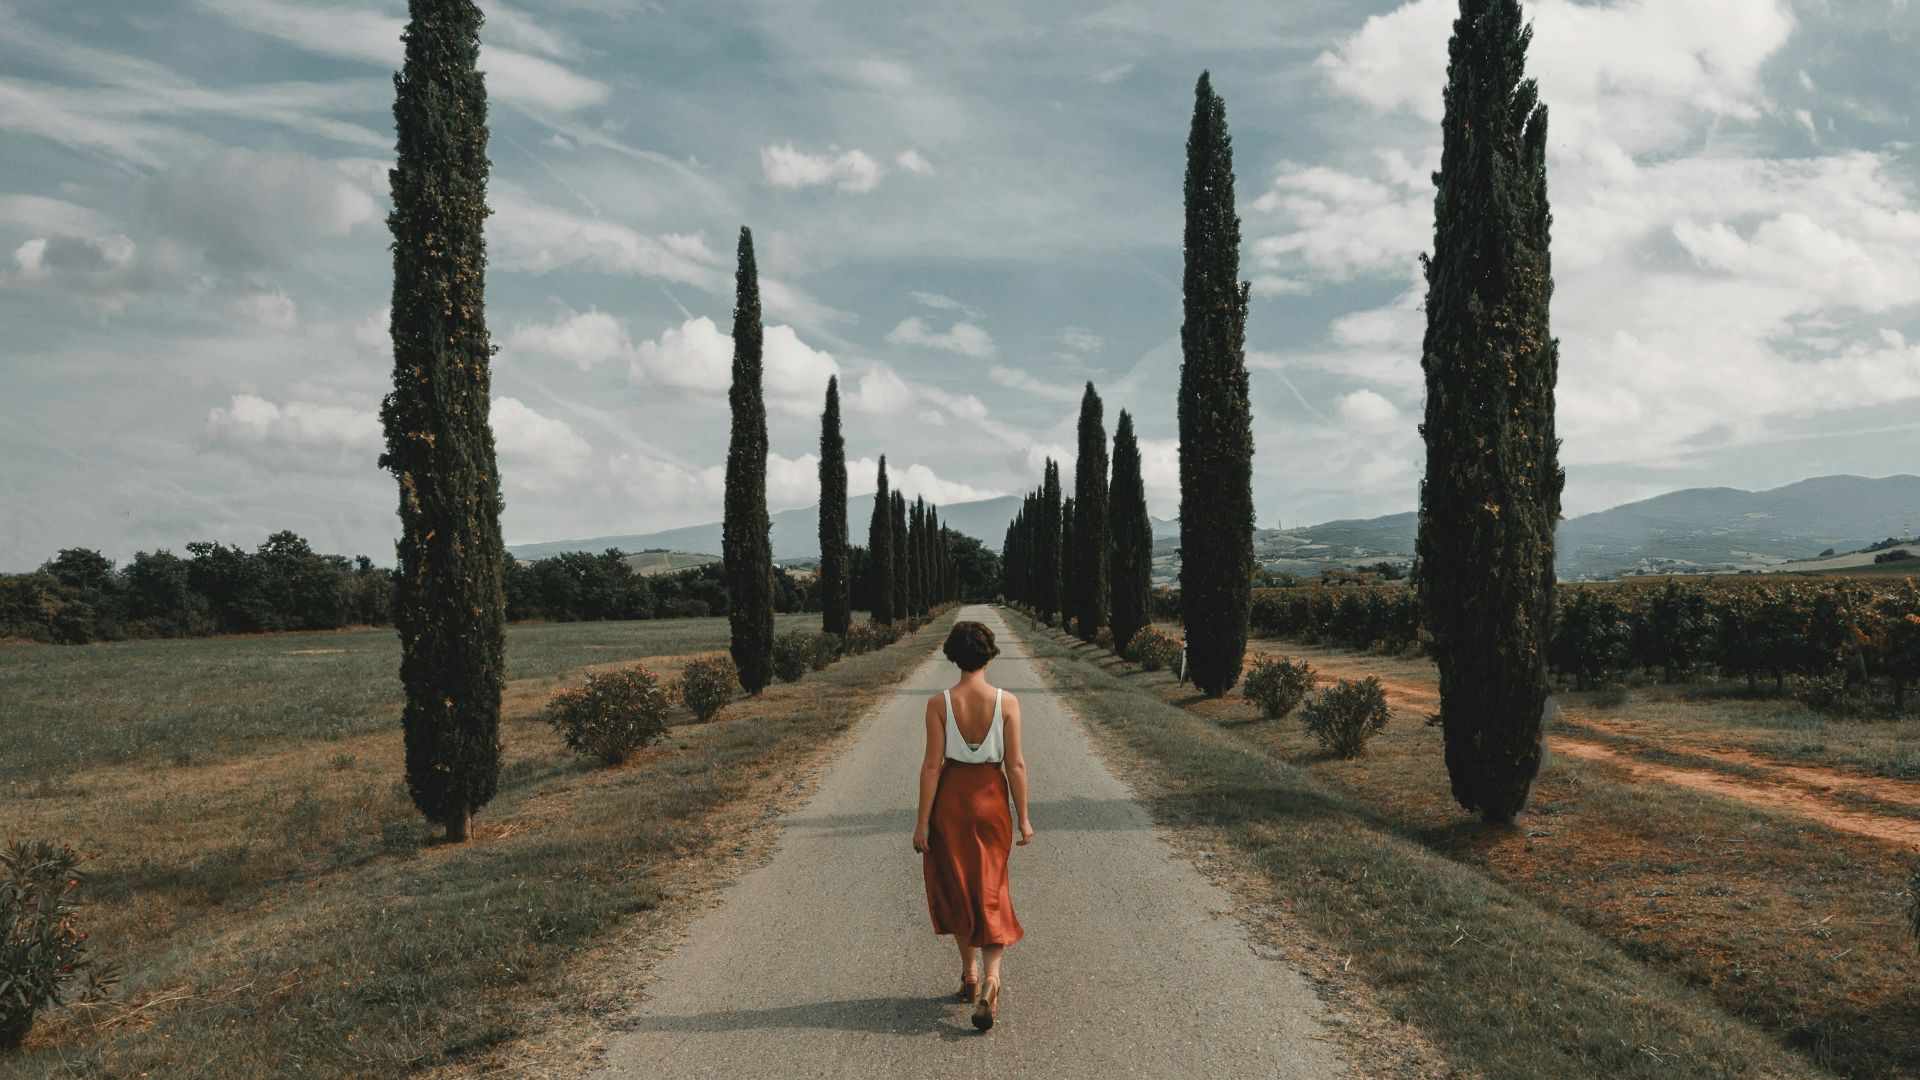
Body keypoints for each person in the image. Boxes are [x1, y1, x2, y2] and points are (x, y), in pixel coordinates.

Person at [913, 620, 1032, 1032]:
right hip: (992, 800)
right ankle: (992, 978)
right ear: (989, 654)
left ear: (952, 655)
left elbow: (931, 766)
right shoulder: (1008, 702)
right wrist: (1024, 818)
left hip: (951, 801)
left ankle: (970, 976)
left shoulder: (939, 704)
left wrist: (922, 823)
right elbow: (1015, 765)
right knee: (992, 888)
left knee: (960, 886)